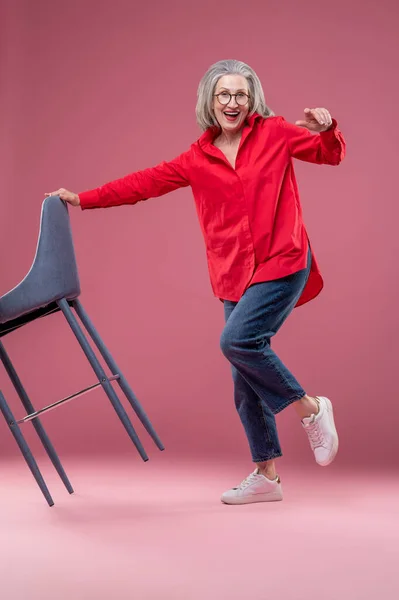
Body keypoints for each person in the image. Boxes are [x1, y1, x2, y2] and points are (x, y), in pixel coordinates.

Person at [46, 59, 346, 505]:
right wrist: (83, 198)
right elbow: (142, 183)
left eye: (241, 95)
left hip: (282, 259)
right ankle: (266, 476)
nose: (232, 103)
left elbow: (330, 154)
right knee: (244, 380)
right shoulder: (196, 158)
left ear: (252, 100)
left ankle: (311, 408)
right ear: (210, 100)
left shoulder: (276, 133)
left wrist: (326, 128)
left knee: (238, 342)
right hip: (232, 273)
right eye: (224, 95)